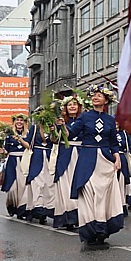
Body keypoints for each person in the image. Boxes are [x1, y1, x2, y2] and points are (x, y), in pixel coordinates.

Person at [67, 85, 124, 245]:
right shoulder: (84, 117)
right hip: (87, 158)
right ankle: (90, 228)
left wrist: (117, 158)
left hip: (105, 160)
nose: (95, 97)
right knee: (89, 191)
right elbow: (71, 133)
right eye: (93, 95)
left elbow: (113, 142)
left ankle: (102, 227)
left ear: (106, 100)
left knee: (103, 194)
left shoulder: (110, 120)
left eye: (99, 95)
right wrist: (59, 128)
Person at [52, 96, 82, 230]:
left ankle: (81, 215)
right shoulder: (60, 122)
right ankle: (67, 217)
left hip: (81, 153)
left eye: (75, 104)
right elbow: (54, 140)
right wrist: (53, 130)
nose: (72, 107)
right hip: (65, 153)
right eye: (69, 105)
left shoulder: (83, 120)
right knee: (65, 184)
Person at [19, 111, 54, 224]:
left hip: (49, 157)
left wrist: (54, 131)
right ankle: (38, 208)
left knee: (49, 184)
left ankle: (48, 207)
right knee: (37, 182)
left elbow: (55, 141)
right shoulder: (34, 129)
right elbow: (29, 145)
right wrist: (20, 139)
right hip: (37, 158)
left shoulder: (51, 128)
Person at [2, 114, 29, 218]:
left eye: (21, 120)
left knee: (23, 185)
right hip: (12, 161)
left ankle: (22, 209)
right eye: (17, 120)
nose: (19, 122)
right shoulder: (9, 135)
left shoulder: (28, 134)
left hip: (24, 160)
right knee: (12, 187)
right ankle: (12, 206)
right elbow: (6, 150)